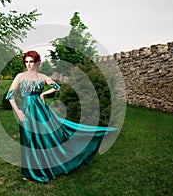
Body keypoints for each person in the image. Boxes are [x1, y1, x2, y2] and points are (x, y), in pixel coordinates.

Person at [6, 50, 118, 183]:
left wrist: (43, 94)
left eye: (31, 61)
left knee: (44, 138)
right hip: (26, 111)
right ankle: (28, 172)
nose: (29, 64)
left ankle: (47, 167)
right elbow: (10, 96)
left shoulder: (42, 77)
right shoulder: (20, 76)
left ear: (36, 63)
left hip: (40, 111)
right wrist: (18, 111)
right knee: (28, 139)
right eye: (26, 62)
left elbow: (56, 87)